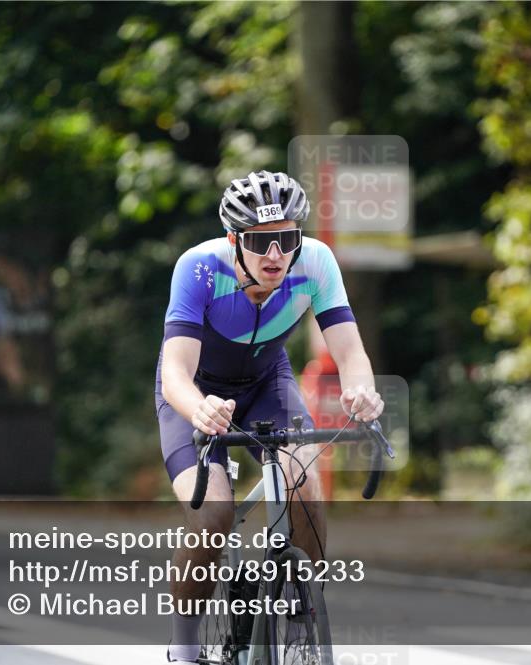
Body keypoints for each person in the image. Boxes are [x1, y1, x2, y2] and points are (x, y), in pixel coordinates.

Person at [156, 170, 384, 663]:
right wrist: (200, 408)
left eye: (286, 238)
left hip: (266, 385)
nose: (276, 255)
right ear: (235, 240)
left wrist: (361, 390)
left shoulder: (318, 262)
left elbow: (350, 352)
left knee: (303, 486)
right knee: (214, 513)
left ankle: (305, 613)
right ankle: (184, 642)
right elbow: (175, 370)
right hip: (197, 391)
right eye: (261, 242)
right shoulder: (198, 268)